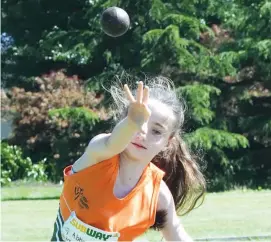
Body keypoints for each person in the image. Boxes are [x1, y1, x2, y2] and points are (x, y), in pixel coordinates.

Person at [51, 77, 206, 242]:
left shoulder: (158, 194)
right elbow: (113, 144)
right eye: (140, 122)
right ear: (122, 120)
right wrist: (132, 123)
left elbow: (178, 236)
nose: (143, 132)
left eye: (156, 131)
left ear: (168, 142)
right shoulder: (97, 155)